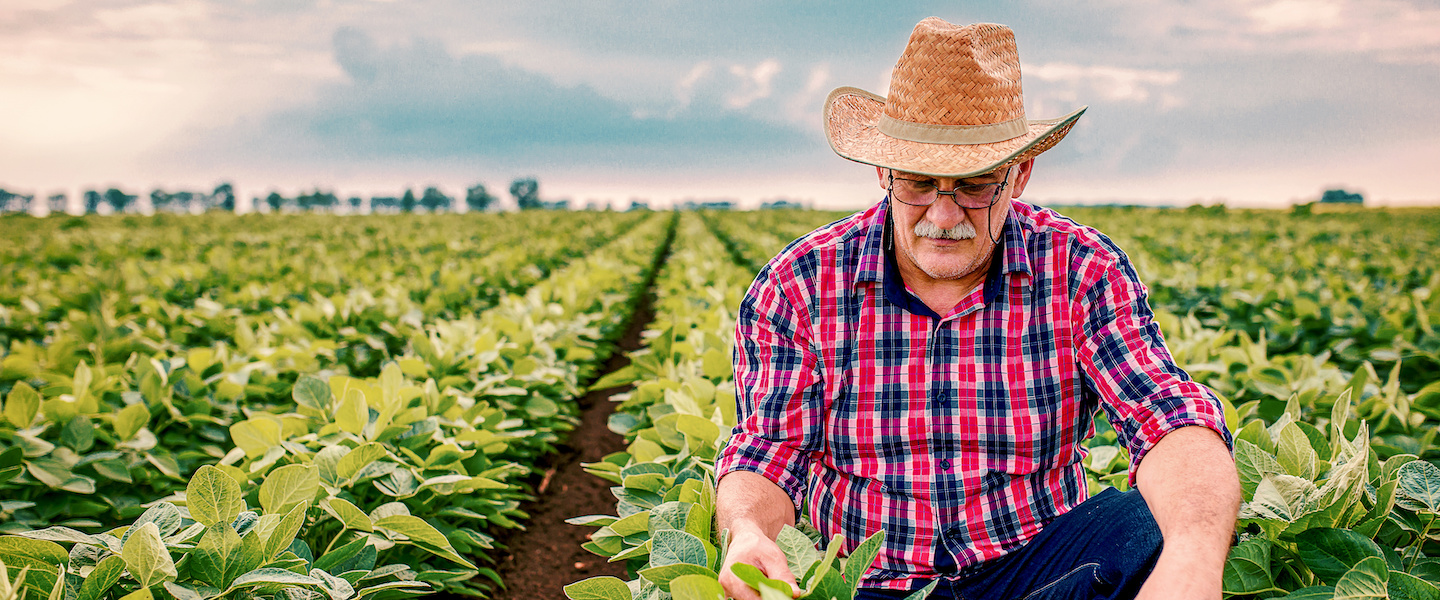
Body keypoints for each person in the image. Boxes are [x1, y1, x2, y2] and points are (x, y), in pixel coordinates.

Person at [713, 18, 1240, 600]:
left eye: (974, 184)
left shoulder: (1079, 267)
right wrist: (746, 532)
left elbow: (1167, 417)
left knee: (1149, 527)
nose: (943, 215)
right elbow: (767, 452)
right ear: (883, 173)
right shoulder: (801, 284)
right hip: (868, 583)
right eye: (917, 184)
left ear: (1019, 175)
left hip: (1034, 568)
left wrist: (1191, 563)